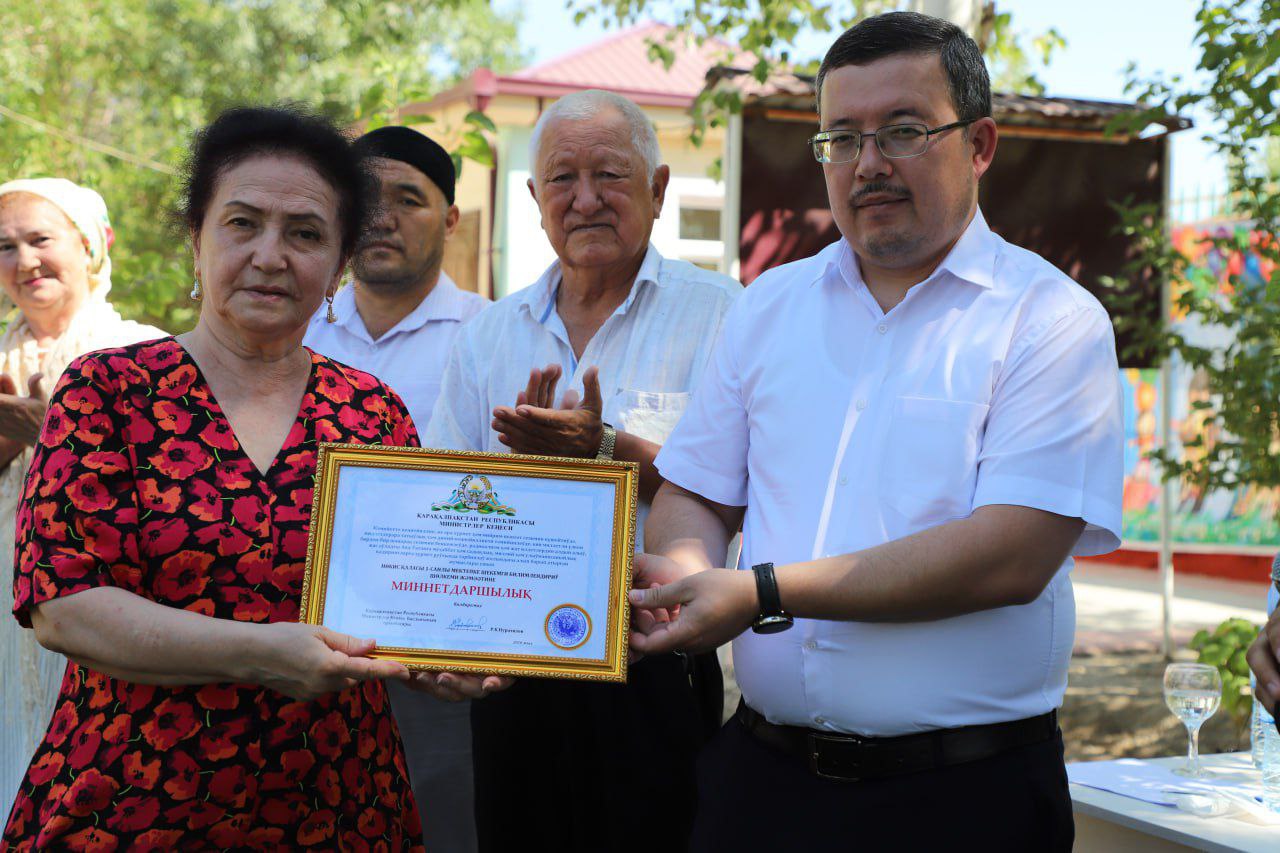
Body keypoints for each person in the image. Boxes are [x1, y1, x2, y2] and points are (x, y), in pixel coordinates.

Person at [629, 12, 1123, 852]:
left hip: (962, 801)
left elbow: (1012, 554)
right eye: (842, 138)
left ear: (980, 144)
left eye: (902, 130)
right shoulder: (768, 307)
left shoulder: (1050, 320)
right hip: (762, 785)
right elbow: (697, 492)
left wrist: (761, 592)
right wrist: (684, 570)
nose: (868, 164)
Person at [2, 105, 504, 849]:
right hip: (136, 800)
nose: (271, 255)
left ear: (337, 265)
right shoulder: (107, 390)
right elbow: (63, 608)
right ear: (196, 241)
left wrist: (439, 655)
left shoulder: (371, 410)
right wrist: (261, 652)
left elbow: (405, 594)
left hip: (341, 802)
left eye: (305, 234)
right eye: (242, 223)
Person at [425, 89, 740, 852]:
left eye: (611, 175)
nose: (586, 198)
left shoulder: (725, 316)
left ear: (658, 189)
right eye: (563, 178)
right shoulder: (488, 335)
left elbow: (742, 490)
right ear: (536, 198)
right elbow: (444, 498)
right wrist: (517, 486)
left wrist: (606, 450)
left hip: (653, 655)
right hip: (511, 660)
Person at [304, 125, 488, 853]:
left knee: (442, 822)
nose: (382, 218)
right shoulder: (297, 329)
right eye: (367, 199)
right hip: (301, 640)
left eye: (408, 199)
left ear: (450, 218)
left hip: (438, 652)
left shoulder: (489, 334)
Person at [0, 178, 165, 812]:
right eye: (5, 246)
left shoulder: (142, 352)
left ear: (92, 245)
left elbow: (170, 485)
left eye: (41, 239)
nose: (25, 261)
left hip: (103, 599)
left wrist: (52, 428)